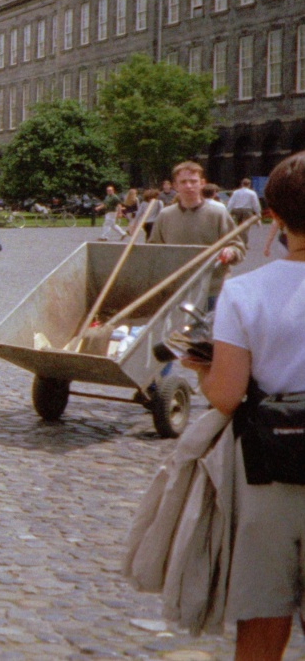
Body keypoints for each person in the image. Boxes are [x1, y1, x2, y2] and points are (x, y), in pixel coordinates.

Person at [180, 151, 305, 661]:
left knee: (262, 621)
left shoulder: (245, 292)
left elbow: (227, 396)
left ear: (272, 216)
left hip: (268, 471)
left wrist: (203, 370)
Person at [147, 161, 244, 274]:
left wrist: (231, 252)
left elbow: (238, 247)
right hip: (176, 282)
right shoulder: (165, 215)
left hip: (212, 283)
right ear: (175, 186)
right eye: (183, 182)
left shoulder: (218, 213)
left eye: (193, 181)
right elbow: (153, 250)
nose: (189, 186)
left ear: (202, 183)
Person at [228, 178, 262, 247]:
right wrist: (258, 213)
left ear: (241, 184)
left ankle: (237, 240)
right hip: (247, 210)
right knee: (245, 227)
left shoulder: (236, 192)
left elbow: (231, 202)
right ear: (249, 185)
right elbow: (255, 204)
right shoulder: (252, 193)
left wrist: (228, 211)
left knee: (238, 225)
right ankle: (243, 243)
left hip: (237, 210)